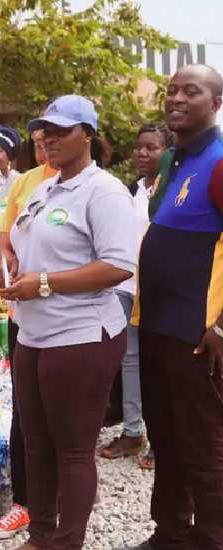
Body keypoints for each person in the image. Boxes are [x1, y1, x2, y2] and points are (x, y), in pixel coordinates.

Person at [0, 95, 139, 550]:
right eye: (44, 131)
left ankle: (67, 542)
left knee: (73, 450)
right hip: (33, 332)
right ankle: (41, 537)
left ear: (89, 135)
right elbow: (32, 239)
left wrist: (42, 281)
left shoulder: (105, 192)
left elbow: (118, 266)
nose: (49, 138)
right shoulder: (45, 187)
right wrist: (15, 257)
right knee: (36, 445)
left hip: (80, 335)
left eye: (61, 130)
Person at [129, 64, 223, 550]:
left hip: (197, 332)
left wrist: (221, 326)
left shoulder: (221, 159)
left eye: (192, 91)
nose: (177, 98)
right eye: (172, 90)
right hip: (156, 325)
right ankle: (170, 532)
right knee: (164, 437)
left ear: (216, 102)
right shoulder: (174, 162)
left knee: (203, 444)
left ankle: (210, 538)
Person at [0, 125, 57, 541]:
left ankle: (64, 501)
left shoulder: (97, 187)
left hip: (73, 324)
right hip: (24, 316)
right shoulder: (28, 182)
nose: (45, 145)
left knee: (63, 415)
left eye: (54, 135)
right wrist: (3, 259)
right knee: (24, 409)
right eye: (39, 139)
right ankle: (25, 503)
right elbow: (6, 236)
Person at [99, 123, 173, 467]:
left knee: (160, 363)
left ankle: (163, 439)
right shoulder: (132, 191)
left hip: (158, 290)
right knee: (127, 359)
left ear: (167, 152)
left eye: (151, 148)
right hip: (126, 287)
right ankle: (132, 432)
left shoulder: (172, 190)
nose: (142, 154)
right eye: (138, 147)